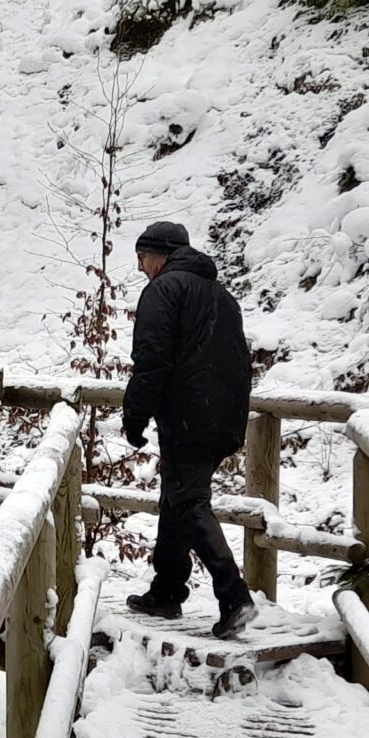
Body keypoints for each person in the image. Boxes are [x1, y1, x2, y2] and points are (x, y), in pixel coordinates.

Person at [121, 219, 258, 639]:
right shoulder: (222, 297)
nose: (141, 266)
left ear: (159, 254)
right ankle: (167, 590)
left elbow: (152, 358)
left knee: (189, 501)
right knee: (177, 496)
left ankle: (235, 596)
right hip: (222, 413)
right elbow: (239, 359)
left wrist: (135, 414)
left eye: (143, 257)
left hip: (187, 412)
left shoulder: (163, 291)